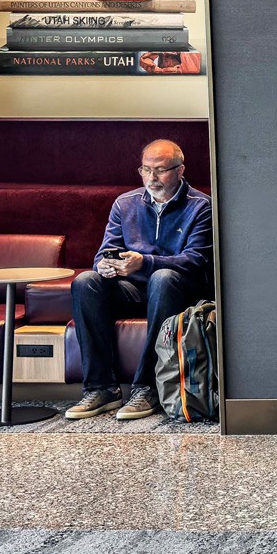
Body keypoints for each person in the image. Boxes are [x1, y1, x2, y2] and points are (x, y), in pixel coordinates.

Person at [65, 140, 214, 420]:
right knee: (86, 281)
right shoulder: (125, 203)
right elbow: (103, 252)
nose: (152, 178)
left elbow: (196, 260)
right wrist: (106, 265)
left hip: (178, 289)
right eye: (146, 170)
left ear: (180, 170)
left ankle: (148, 387)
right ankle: (101, 388)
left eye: (160, 170)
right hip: (131, 287)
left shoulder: (200, 206)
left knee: (163, 277)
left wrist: (144, 262)